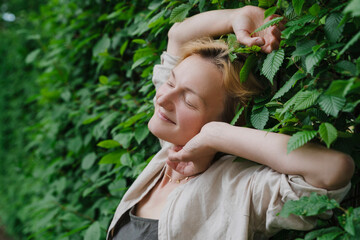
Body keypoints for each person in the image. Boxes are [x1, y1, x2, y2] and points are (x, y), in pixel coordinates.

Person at [107, 5, 354, 240]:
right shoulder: (170, 152)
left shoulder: (242, 188)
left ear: (225, 122)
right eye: (170, 82)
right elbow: (178, 35)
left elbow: (334, 168)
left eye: (190, 101)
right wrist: (240, 15)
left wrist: (214, 136)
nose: (163, 98)